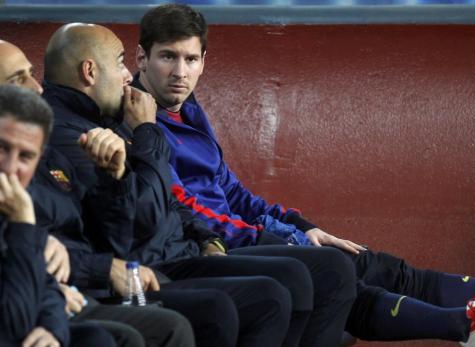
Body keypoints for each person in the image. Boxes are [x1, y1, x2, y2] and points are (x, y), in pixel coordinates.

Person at [133, 4, 475, 346]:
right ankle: (473, 321)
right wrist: (280, 236)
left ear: (204, 62)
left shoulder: (189, 111)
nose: (180, 72)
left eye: (191, 60)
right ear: (142, 59)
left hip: (247, 235)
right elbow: (187, 208)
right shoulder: (141, 123)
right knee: (352, 277)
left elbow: (231, 190)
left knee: (379, 265)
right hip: (216, 248)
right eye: (168, 58)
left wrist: (301, 226)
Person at [41, 23, 337, 347]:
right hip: (150, 263)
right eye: (121, 62)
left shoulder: (109, 120)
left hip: (180, 248)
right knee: (261, 298)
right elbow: (144, 219)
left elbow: (172, 199)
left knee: (313, 273)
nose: (127, 75)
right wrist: (148, 131)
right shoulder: (78, 136)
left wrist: (207, 238)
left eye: (192, 59)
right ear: (89, 71)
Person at [0, 38, 205, 347]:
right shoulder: (64, 134)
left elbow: (114, 235)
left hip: (72, 289)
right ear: (90, 71)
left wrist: (113, 179)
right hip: (81, 287)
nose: (36, 87)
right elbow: (145, 221)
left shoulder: (51, 151)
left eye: (31, 73)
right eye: (18, 80)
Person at [0, 84, 121, 347]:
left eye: (25, 157)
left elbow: (46, 285)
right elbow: (14, 326)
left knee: (97, 340)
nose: (10, 168)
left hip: (70, 292)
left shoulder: (12, 203)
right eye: (1, 148)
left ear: (39, 158)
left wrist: (53, 329)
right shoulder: (19, 211)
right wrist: (24, 227)